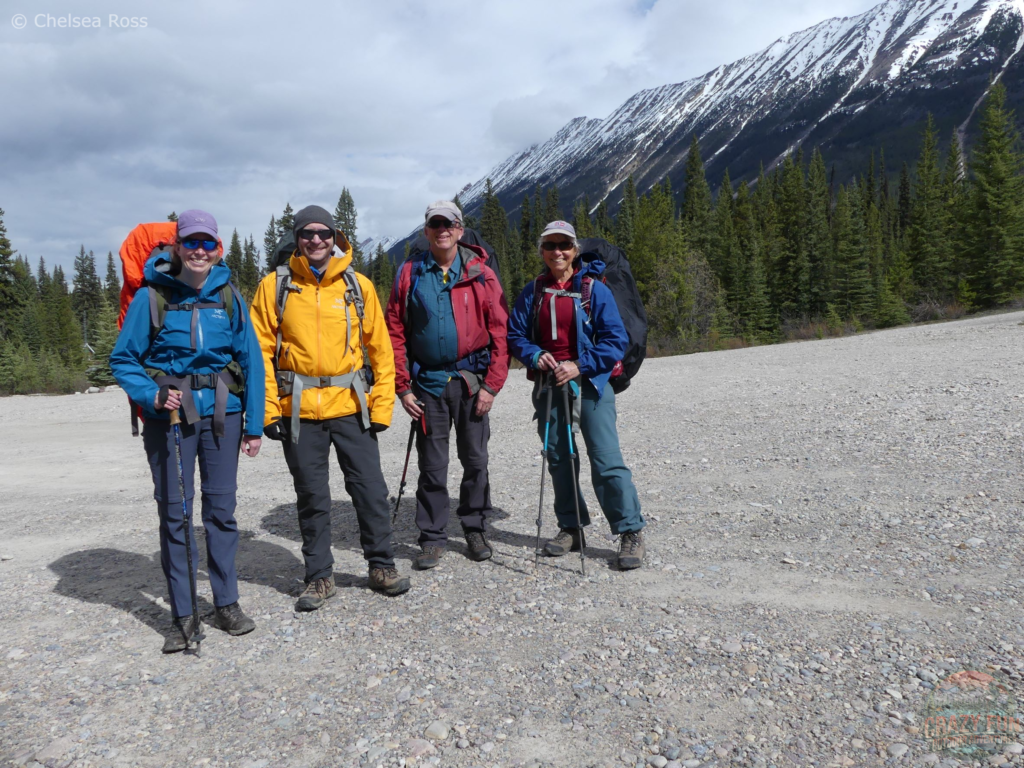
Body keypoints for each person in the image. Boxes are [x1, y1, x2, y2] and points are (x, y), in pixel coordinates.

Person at [110, 209, 265, 652]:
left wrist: (254, 426)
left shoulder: (229, 296)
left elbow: (251, 361)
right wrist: (151, 394)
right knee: (176, 514)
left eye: (208, 243)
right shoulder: (151, 297)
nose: (200, 251)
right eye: (191, 242)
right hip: (169, 418)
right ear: (176, 247)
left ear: (219, 249)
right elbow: (123, 359)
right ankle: (182, 613)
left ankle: (226, 602)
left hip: (223, 416)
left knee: (221, 511)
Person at [250, 205, 410, 608]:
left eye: (323, 233)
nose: (316, 240)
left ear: (335, 237)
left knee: (371, 491)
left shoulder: (358, 286)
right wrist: (269, 411)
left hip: (351, 405)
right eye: (307, 233)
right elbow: (259, 353)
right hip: (298, 410)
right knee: (311, 497)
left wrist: (381, 407)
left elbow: (381, 352)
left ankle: (381, 566)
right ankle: (319, 577)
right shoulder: (274, 286)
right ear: (297, 238)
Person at [506, 220, 646, 569]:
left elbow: (616, 340)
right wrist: (535, 355)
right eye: (550, 246)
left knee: (606, 460)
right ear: (542, 251)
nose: (558, 252)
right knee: (558, 457)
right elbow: (515, 335)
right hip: (549, 384)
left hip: (590, 384)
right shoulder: (533, 291)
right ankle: (571, 527)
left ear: (575, 250)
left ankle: (630, 531)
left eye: (564, 245)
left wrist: (579, 365)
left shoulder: (594, 290)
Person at [385, 201, 509, 569]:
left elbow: (500, 332)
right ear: (426, 231)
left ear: (459, 229)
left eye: (448, 223)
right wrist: (402, 387)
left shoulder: (480, 272)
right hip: (428, 384)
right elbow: (394, 330)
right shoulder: (409, 273)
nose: (442, 229)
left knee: (475, 461)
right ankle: (432, 537)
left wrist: (492, 386)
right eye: (434, 224)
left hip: (472, 383)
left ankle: (474, 527)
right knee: (432, 466)